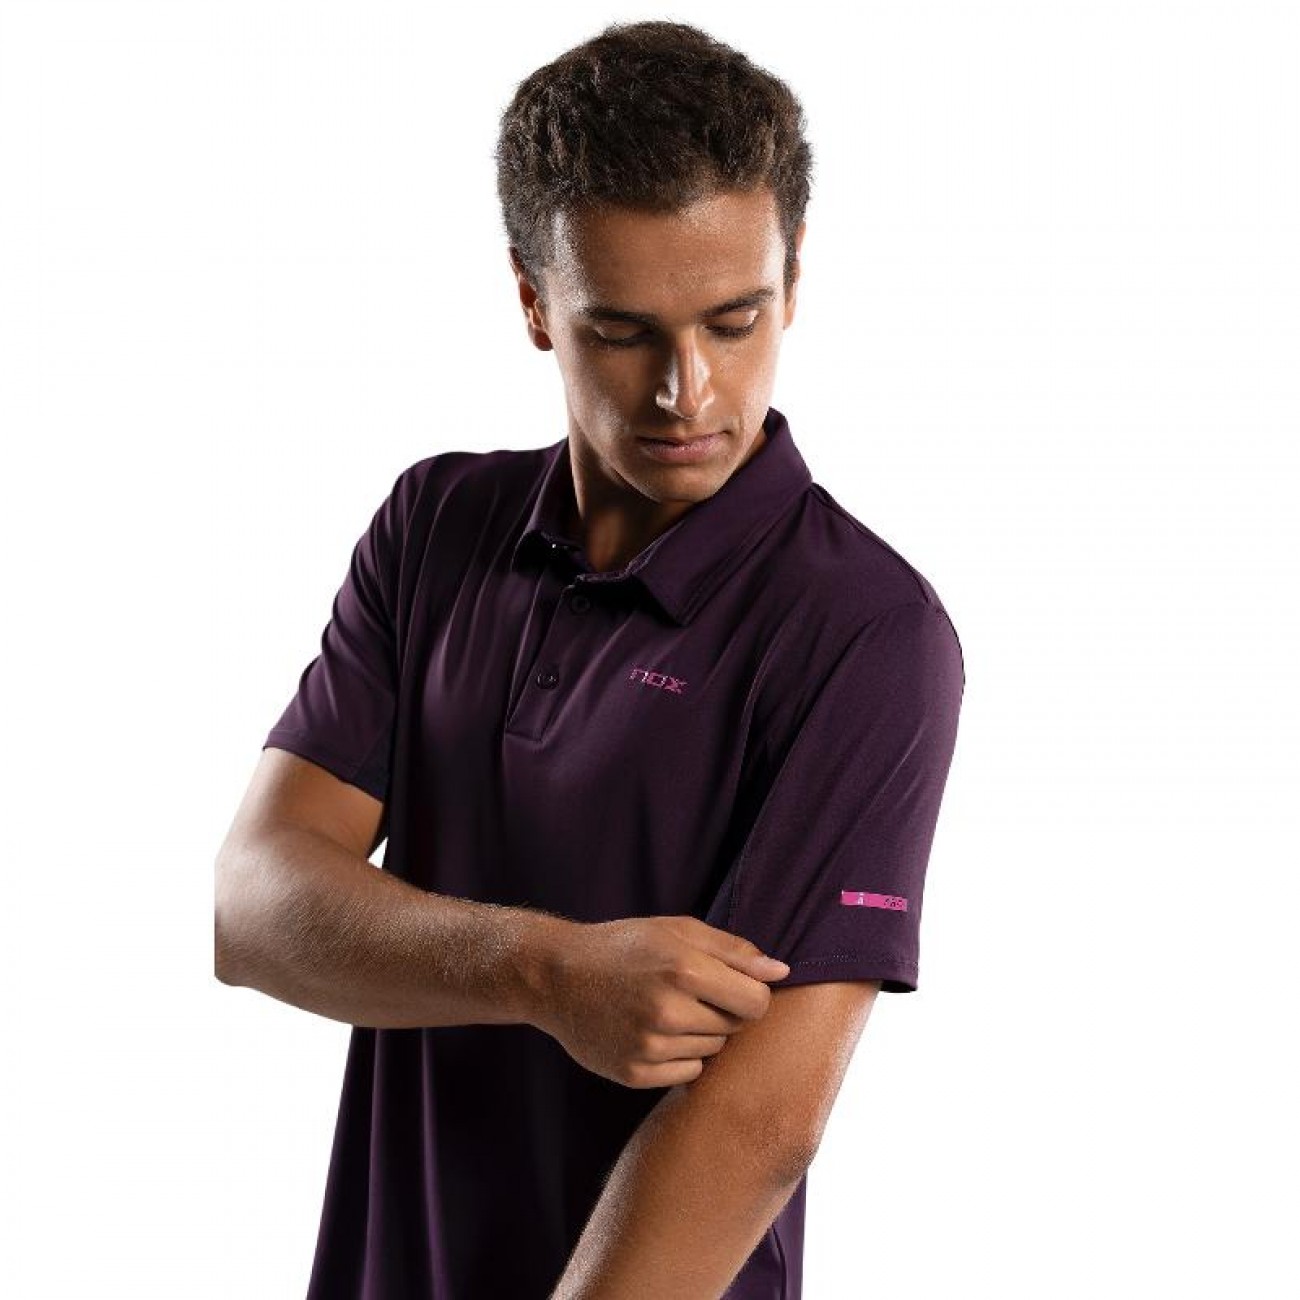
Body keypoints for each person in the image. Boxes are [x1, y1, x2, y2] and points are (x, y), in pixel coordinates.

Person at [214, 19, 965, 1299]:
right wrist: (550, 972)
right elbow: (251, 908)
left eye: (734, 321)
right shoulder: (437, 525)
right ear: (533, 302)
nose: (688, 391)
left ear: (791, 281)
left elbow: (759, 1122)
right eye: (623, 331)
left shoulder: (865, 631)